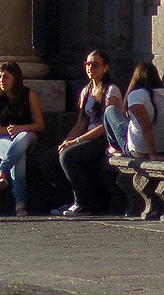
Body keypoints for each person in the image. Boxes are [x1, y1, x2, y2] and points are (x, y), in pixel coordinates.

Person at [51, 48, 123, 216]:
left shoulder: (111, 91)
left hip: (104, 138)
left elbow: (107, 125)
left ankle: (83, 203)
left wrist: (77, 141)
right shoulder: (86, 90)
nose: (90, 68)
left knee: (68, 156)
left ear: (105, 68)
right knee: (51, 157)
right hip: (87, 136)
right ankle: (68, 199)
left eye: (95, 64)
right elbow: (82, 121)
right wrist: (66, 141)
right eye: (87, 64)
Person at [0, 61, 44, 216]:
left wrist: (20, 129)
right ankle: (20, 203)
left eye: (6, 77)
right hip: (0, 138)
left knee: (23, 137)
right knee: (18, 157)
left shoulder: (28, 94)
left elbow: (39, 125)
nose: (1, 81)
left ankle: (1, 170)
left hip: (25, 137)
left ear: (15, 78)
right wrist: (8, 130)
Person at [106, 61, 164, 161]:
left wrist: (153, 155)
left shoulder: (136, 95)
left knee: (110, 110)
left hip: (141, 151)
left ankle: (115, 147)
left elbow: (146, 126)